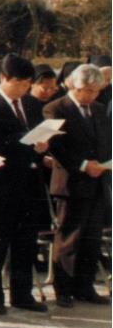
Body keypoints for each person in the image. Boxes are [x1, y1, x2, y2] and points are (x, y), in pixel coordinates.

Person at [0, 55, 51, 314]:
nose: (24, 88)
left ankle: (22, 294)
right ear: (4, 79)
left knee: (25, 242)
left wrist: (42, 145)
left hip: (29, 181)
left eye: (28, 83)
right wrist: (24, 140)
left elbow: (39, 132)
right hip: (0, 181)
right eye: (19, 83)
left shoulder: (30, 103)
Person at [44, 64, 111, 307]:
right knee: (69, 237)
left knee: (92, 238)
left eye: (96, 91)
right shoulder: (55, 109)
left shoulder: (99, 109)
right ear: (75, 85)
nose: (92, 95)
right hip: (71, 182)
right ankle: (63, 289)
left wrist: (104, 164)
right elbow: (58, 147)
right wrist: (83, 165)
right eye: (88, 90)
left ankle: (85, 286)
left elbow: (104, 141)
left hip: (97, 181)